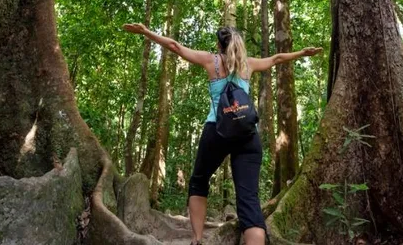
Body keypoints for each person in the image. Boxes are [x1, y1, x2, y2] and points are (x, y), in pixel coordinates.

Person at [122, 23, 322, 245]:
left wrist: (146, 32)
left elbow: (175, 46)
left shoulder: (211, 61)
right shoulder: (249, 65)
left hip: (216, 131)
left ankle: (197, 240)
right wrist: (303, 52)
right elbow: (276, 59)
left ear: (219, 44)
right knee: (248, 198)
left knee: (199, 181)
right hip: (247, 134)